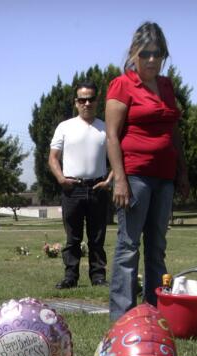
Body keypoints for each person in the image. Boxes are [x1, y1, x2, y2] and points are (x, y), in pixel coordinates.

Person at [105, 21, 189, 321]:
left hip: (165, 177)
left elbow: (174, 131)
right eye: (146, 54)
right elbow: (112, 136)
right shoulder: (122, 84)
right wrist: (121, 180)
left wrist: (183, 171)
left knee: (157, 247)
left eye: (158, 54)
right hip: (135, 176)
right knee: (128, 247)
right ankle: (123, 317)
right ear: (134, 54)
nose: (152, 60)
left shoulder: (166, 86)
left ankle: (153, 313)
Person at [49, 81, 112, 289]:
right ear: (76, 102)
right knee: (72, 238)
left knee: (97, 237)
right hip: (72, 189)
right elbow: (53, 158)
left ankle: (98, 277)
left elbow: (119, 159)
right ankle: (70, 277)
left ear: (97, 101)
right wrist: (61, 179)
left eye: (91, 99)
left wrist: (109, 181)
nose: (87, 103)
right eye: (82, 100)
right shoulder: (65, 127)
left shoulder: (106, 128)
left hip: (98, 189)